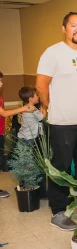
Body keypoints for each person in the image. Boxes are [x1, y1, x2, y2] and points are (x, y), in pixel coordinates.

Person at [35, 12, 77, 231]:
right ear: (64, 29)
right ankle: (58, 211)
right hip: (61, 123)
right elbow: (41, 85)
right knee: (60, 168)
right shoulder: (53, 53)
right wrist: (48, 106)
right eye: (73, 25)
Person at [0, 70, 35, 198]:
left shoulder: (0, 97)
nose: (1, 84)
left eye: (1, 80)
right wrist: (24, 108)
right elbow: (3, 113)